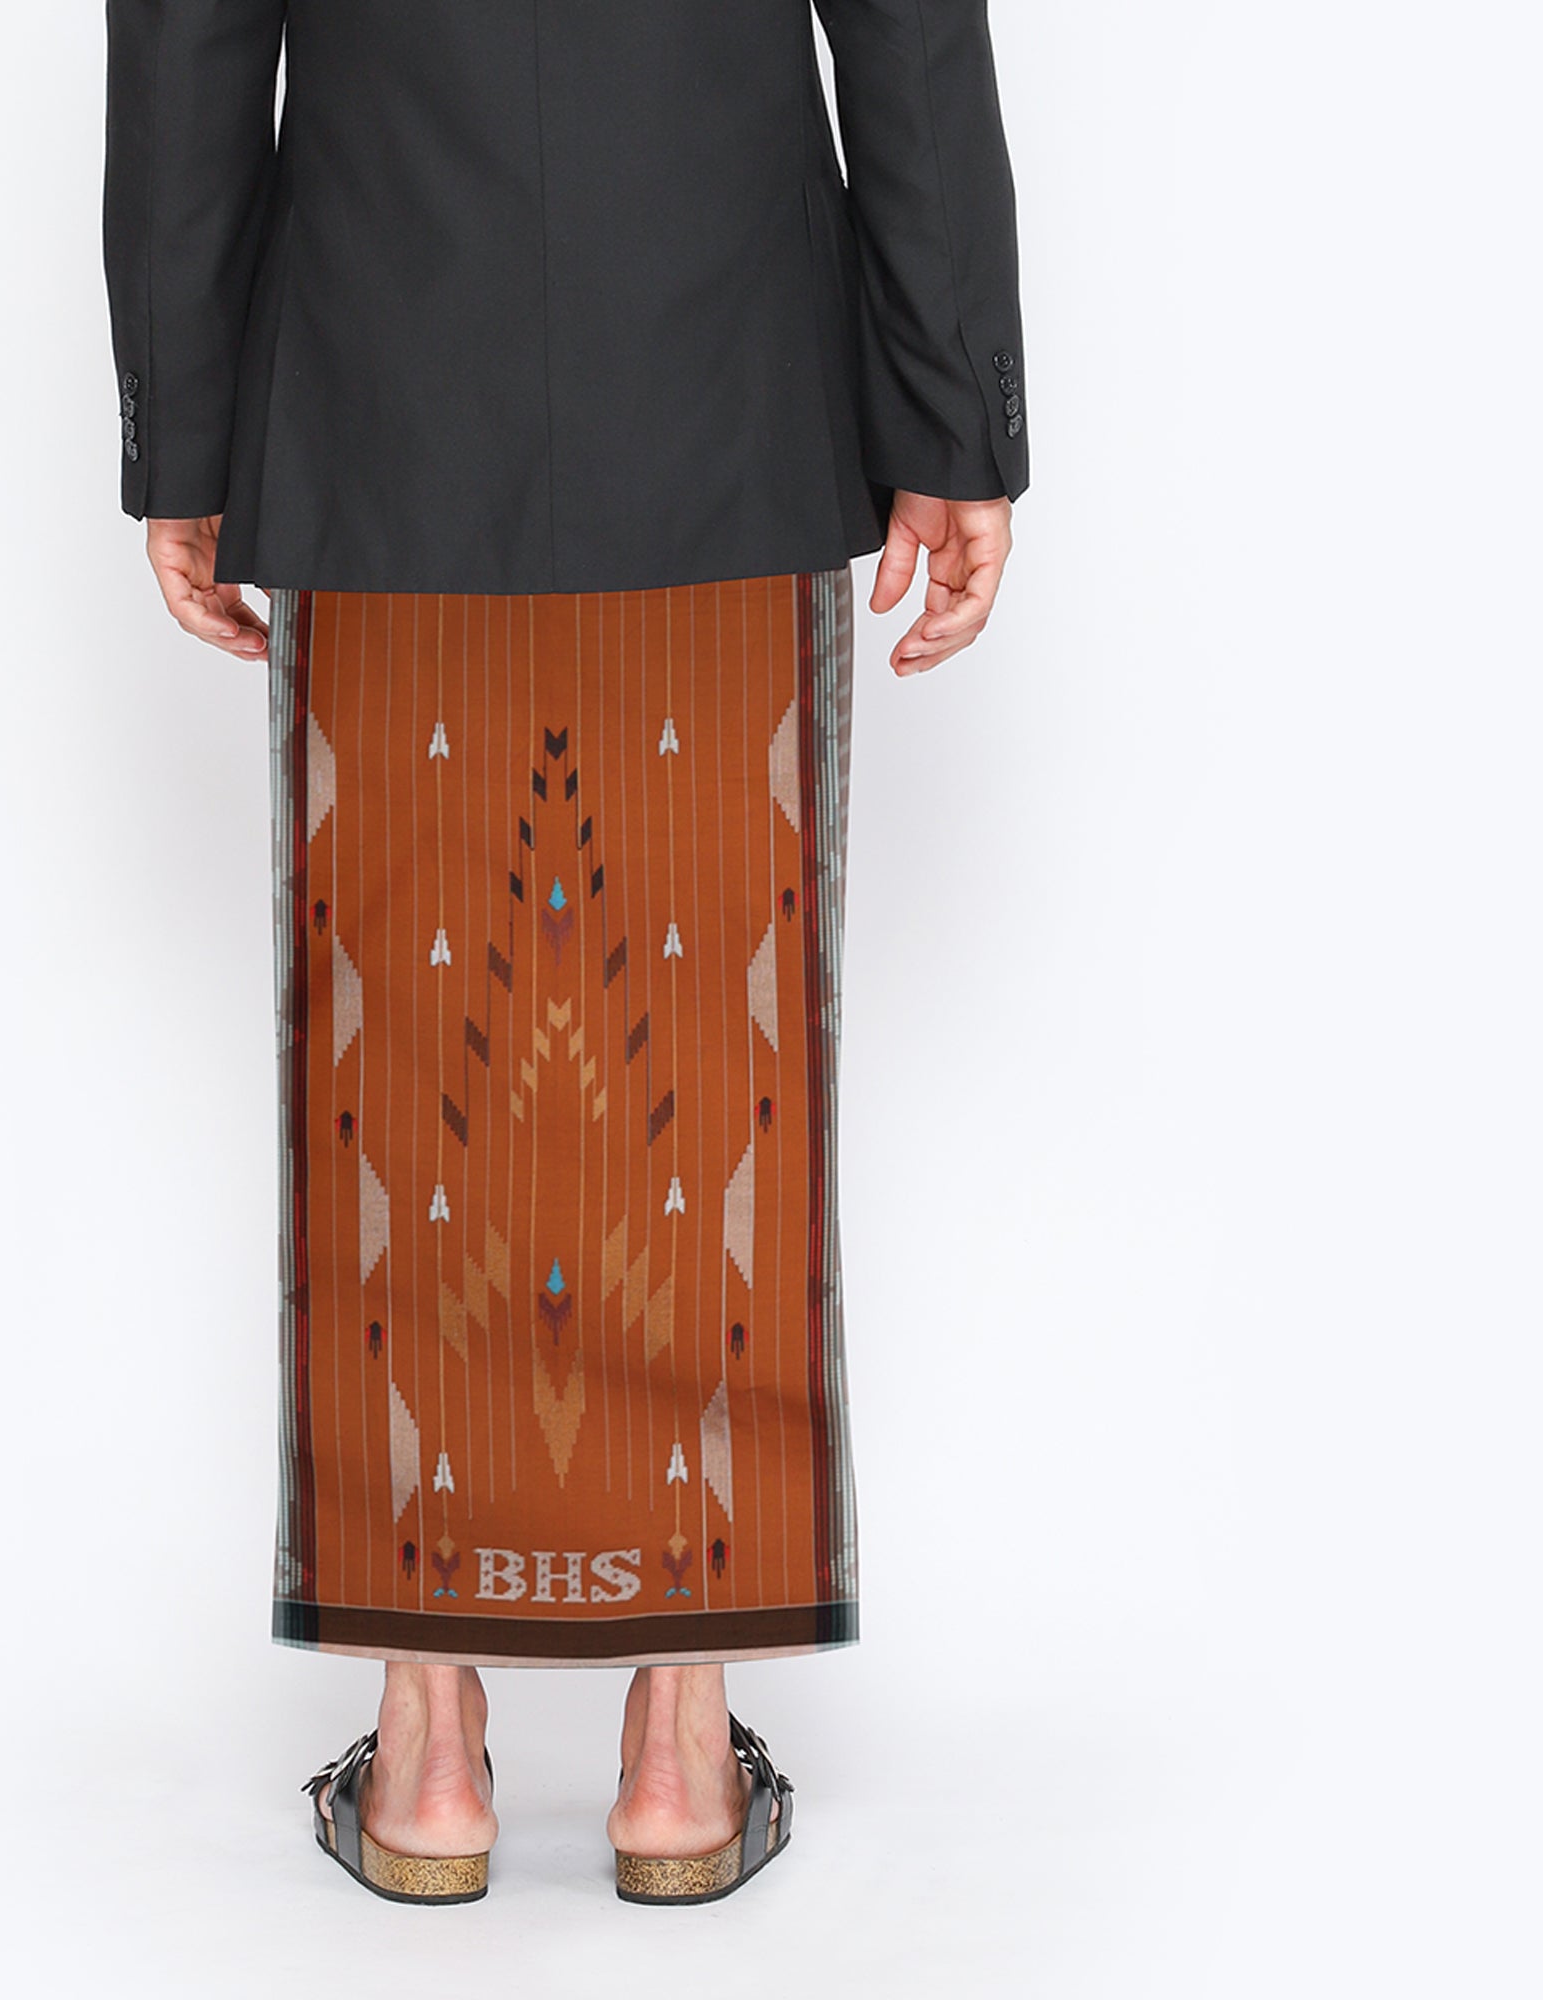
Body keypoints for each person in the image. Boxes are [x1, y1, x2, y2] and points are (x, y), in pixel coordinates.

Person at [102, 0, 1027, 1905]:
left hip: (380, 371)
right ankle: (679, 1757)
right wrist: (954, 413)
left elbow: (191, 31)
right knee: (714, 1045)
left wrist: (186, 425)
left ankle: (427, 1755)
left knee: (393, 1053)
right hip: (723, 368)